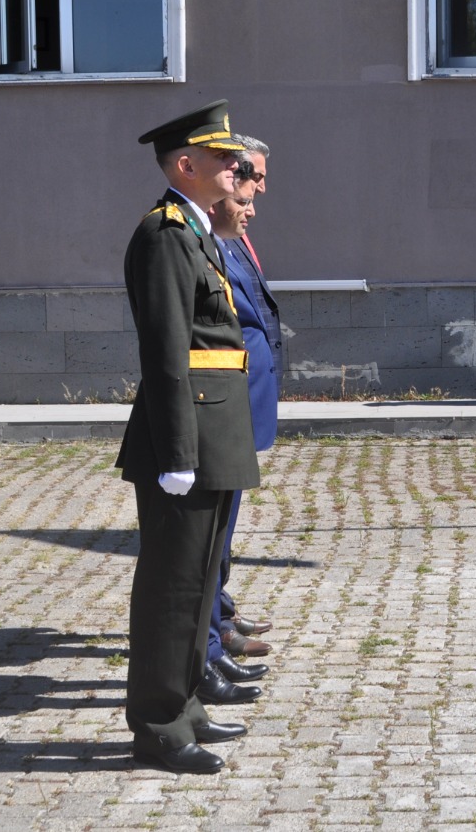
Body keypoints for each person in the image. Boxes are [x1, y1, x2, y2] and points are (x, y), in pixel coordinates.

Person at [118, 99, 260, 774]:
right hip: (188, 437)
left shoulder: (198, 232)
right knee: (171, 588)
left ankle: (186, 703)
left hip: (217, 426)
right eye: (223, 157)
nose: (235, 167)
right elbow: (168, 351)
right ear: (186, 164)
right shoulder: (164, 233)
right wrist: (175, 450)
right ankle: (155, 722)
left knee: (201, 582)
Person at [207, 136, 281, 677]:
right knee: (215, 526)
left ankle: (221, 610)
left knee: (225, 522)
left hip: (243, 397)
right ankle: (214, 628)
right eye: (252, 178)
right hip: (222, 402)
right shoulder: (209, 237)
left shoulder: (233, 234)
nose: (258, 191)